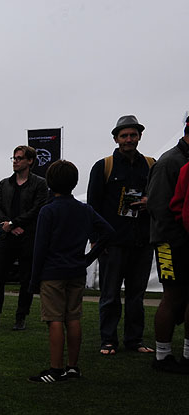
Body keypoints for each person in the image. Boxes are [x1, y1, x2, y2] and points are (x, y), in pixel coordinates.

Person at [28, 161, 113, 382]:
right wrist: (88, 259)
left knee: (55, 319)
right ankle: (73, 367)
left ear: (49, 182)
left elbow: (40, 248)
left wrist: (34, 279)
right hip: (76, 271)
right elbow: (108, 231)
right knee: (73, 318)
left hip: (52, 273)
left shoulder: (48, 211)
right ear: (74, 182)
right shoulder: (84, 209)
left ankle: (55, 370)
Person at [87, 115, 156, 355]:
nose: (129, 139)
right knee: (110, 295)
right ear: (116, 138)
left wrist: (150, 201)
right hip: (113, 243)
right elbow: (92, 207)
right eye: (124, 135)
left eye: (133, 135)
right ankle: (108, 340)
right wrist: (96, 241)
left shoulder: (150, 164)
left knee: (137, 296)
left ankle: (134, 341)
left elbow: (162, 198)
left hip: (142, 241)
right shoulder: (103, 166)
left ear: (139, 136)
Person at [0, 145, 48, 330]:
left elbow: (38, 208)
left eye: (19, 158)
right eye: (14, 158)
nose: (15, 161)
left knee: (26, 279)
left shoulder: (39, 183)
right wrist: (8, 225)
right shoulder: (4, 184)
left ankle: (21, 317)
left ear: (30, 161)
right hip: (7, 237)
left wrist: (14, 223)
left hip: (27, 237)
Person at [147, 115, 189, 373]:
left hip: (180, 238)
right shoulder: (170, 161)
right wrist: (178, 239)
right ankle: (162, 355)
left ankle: (183, 354)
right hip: (168, 241)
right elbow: (158, 206)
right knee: (171, 297)